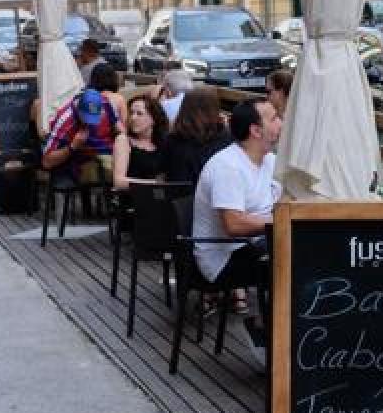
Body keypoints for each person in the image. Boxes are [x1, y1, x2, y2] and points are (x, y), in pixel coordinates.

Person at [191, 98, 282, 288]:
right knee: (296, 255)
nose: (280, 123)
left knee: (304, 247)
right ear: (256, 131)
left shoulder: (270, 160)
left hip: (254, 245)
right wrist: (283, 220)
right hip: (224, 260)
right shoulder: (228, 167)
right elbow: (234, 224)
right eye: (274, 119)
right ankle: (282, 317)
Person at [41, 88, 120, 183]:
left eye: (94, 118)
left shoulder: (104, 101)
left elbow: (118, 127)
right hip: (72, 158)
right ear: (78, 108)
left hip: (104, 151)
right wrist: (73, 146)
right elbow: (46, 162)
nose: (90, 123)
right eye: (87, 118)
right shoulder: (65, 120)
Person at [164, 86, 232, 184]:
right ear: (214, 108)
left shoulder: (172, 138)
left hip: (178, 194)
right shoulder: (225, 138)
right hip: (210, 194)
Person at [112, 93, 170, 187]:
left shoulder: (162, 142)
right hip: (133, 197)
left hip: (159, 197)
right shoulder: (123, 140)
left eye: (139, 114)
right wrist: (155, 183)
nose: (133, 118)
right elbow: (118, 181)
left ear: (154, 119)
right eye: (131, 113)